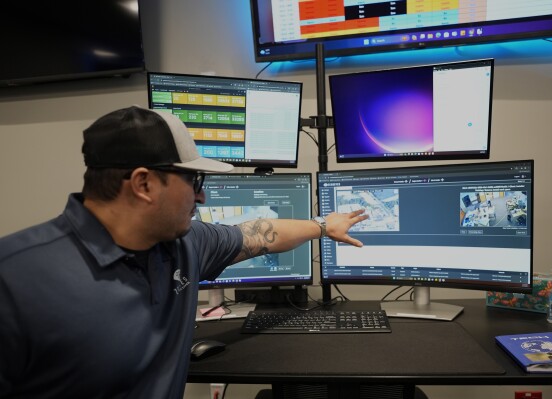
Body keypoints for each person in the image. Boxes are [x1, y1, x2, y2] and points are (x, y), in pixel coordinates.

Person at [0, 106, 368, 398]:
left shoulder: (186, 243)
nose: (202, 196)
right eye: (194, 181)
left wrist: (323, 227)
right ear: (144, 183)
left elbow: (259, 235)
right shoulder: (16, 283)